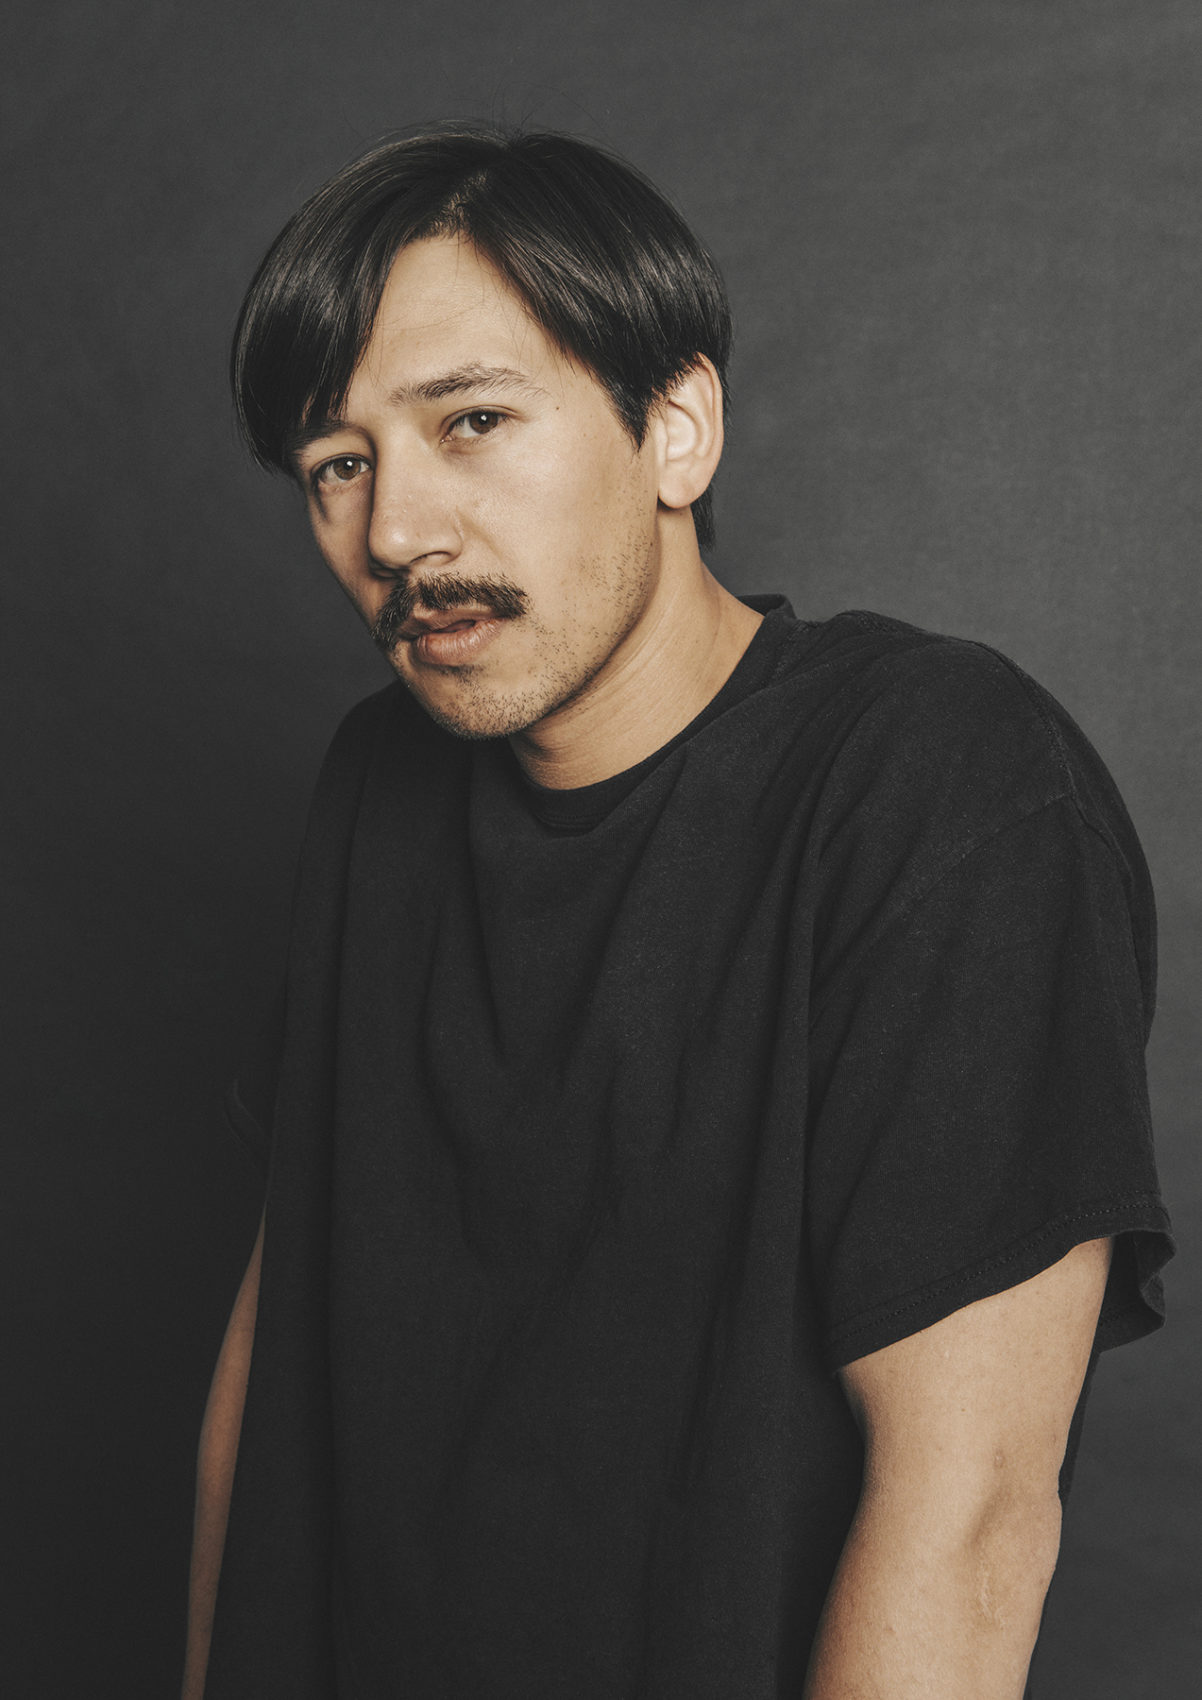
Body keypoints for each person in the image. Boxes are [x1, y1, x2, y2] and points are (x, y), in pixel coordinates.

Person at [183, 126, 1173, 1700]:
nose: (396, 533)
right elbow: (275, 1328)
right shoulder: (379, 782)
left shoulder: (938, 779)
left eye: (473, 422)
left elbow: (969, 1511)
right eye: (338, 465)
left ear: (676, 429)